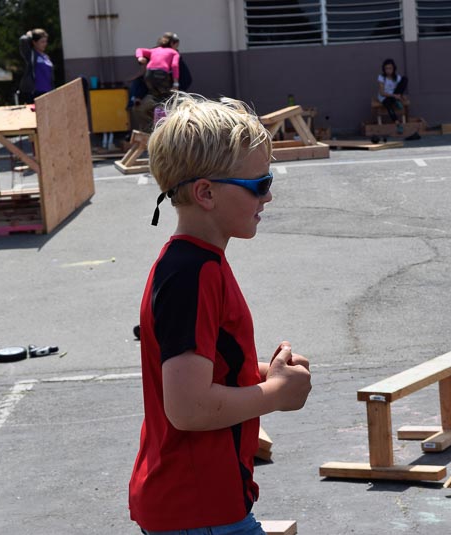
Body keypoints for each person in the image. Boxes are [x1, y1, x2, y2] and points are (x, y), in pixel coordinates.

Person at [129, 92, 312, 534]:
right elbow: (189, 408)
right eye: (259, 185)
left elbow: (203, 372)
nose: (267, 198)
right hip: (199, 508)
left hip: (200, 504)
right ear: (206, 193)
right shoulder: (192, 274)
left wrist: (264, 373)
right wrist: (276, 394)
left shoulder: (195, 263)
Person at [135, 32, 181, 101]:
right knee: (167, 98)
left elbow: (139, 49)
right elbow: (175, 65)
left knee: (156, 97)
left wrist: (140, 57)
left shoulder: (154, 50)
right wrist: (176, 83)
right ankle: (164, 110)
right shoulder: (174, 52)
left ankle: (158, 110)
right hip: (161, 74)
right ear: (172, 43)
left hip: (149, 75)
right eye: (176, 45)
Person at [18, 28, 53, 103]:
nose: (45, 44)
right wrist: (29, 36)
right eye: (42, 42)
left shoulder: (46, 57)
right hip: (35, 93)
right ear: (34, 42)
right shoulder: (31, 55)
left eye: (46, 41)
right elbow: (23, 40)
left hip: (48, 92)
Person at [377, 58, 408, 133]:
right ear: (384, 69)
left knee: (404, 79)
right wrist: (395, 96)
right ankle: (398, 124)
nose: (388, 70)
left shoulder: (397, 77)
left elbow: (400, 87)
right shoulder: (381, 77)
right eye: (386, 68)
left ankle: (396, 100)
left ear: (394, 68)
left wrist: (401, 95)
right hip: (384, 97)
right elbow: (382, 93)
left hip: (395, 94)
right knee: (388, 104)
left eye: (390, 68)